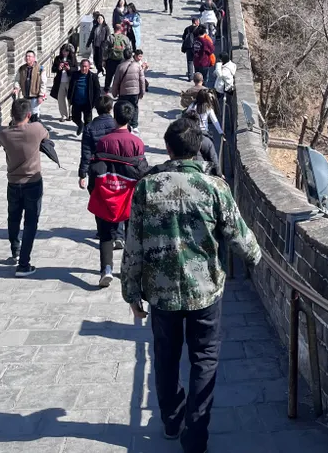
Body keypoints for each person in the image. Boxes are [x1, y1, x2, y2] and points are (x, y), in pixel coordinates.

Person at [121, 117, 261, 451]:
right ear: (197, 149)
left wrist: (131, 291)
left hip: (162, 292)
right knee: (205, 359)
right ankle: (196, 435)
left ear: (169, 149)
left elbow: (133, 245)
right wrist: (256, 258)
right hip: (205, 291)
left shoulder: (147, 187)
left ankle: (172, 420)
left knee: (166, 358)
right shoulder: (215, 188)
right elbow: (240, 239)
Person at [88, 102, 148, 287]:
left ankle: (106, 269)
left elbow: (97, 166)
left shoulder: (105, 141)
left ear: (115, 117)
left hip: (109, 190)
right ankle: (128, 269)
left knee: (106, 233)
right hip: (129, 193)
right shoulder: (137, 142)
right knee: (132, 234)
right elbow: (142, 170)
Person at [0, 98, 49, 276]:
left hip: (13, 183)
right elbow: (47, 137)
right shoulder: (36, 129)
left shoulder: (4, 134)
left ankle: (15, 250)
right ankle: (24, 264)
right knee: (31, 222)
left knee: (13, 218)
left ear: (12, 114)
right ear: (28, 114)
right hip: (32, 182)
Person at [78, 93, 118, 190]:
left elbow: (86, 153)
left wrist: (82, 174)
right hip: (115, 168)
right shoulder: (117, 125)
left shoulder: (89, 128)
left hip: (96, 169)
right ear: (110, 109)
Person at [111, 49, 146, 130]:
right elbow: (142, 80)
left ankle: (124, 124)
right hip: (135, 92)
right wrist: (142, 92)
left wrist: (114, 93)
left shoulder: (120, 67)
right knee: (135, 107)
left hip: (123, 92)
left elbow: (116, 81)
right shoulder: (137, 66)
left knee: (123, 108)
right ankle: (134, 125)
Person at [68, 58, 102, 134]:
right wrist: (69, 98)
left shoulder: (93, 77)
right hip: (76, 102)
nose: (84, 68)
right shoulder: (75, 75)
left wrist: (94, 103)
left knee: (88, 122)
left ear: (89, 67)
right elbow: (71, 87)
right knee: (75, 118)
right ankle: (80, 125)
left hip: (87, 103)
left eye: (86, 66)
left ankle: (86, 136)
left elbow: (97, 90)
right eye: (82, 66)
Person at [12, 50, 47, 122]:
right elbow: (17, 80)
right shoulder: (22, 69)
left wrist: (41, 96)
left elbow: (43, 83)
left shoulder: (40, 69)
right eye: (26, 56)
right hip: (26, 96)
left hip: (35, 96)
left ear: (34, 58)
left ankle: (36, 130)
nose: (27, 58)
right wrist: (16, 88)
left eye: (29, 56)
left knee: (34, 114)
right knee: (26, 115)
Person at [50, 44, 75, 122]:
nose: (65, 53)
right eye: (63, 51)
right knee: (61, 99)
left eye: (66, 51)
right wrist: (58, 68)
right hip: (60, 82)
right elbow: (53, 69)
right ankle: (63, 115)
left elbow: (76, 69)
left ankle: (70, 114)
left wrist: (69, 68)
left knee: (70, 98)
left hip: (69, 81)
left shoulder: (73, 58)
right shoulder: (58, 58)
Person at [104, 23, 133, 89]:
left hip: (111, 59)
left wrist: (104, 59)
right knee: (121, 76)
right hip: (122, 60)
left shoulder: (110, 37)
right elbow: (129, 50)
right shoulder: (125, 38)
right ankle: (120, 89)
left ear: (114, 29)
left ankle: (106, 89)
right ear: (121, 29)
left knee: (109, 75)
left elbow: (105, 49)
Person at [180, 17, 200, 82]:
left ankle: (190, 76)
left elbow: (183, 37)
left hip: (189, 47)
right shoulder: (198, 29)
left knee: (189, 62)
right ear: (196, 22)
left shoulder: (187, 28)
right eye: (198, 21)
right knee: (197, 61)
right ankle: (197, 76)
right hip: (196, 47)